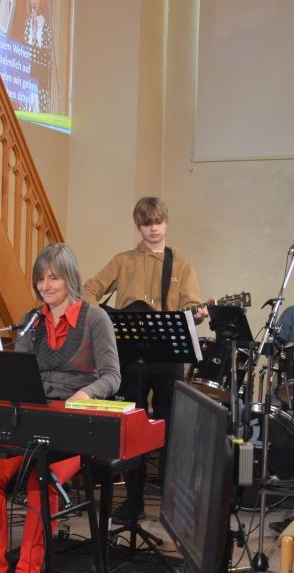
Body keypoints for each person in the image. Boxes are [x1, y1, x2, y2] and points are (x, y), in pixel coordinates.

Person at [0, 243, 121, 573]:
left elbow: (112, 376)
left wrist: (85, 394)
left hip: (74, 423)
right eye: (40, 279)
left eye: (53, 278)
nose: (45, 285)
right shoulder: (31, 321)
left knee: (42, 480)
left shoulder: (95, 319)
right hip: (31, 417)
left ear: (69, 278)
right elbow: (17, 374)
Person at [83, 197, 208, 516]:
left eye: (158, 222)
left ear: (167, 223)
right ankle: (133, 499)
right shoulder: (122, 261)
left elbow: (190, 307)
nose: (153, 229)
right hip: (130, 354)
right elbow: (89, 290)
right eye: (146, 223)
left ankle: (170, 501)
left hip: (167, 356)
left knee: (169, 426)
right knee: (131, 426)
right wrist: (104, 321)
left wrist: (196, 315)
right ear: (138, 226)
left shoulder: (181, 265)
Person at [22, 0, 54, 113]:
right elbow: (25, 54)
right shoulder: (27, 24)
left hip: (41, 84)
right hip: (28, 83)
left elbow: (46, 57)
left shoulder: (46, 28)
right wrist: (32, 33)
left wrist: (36, 34)